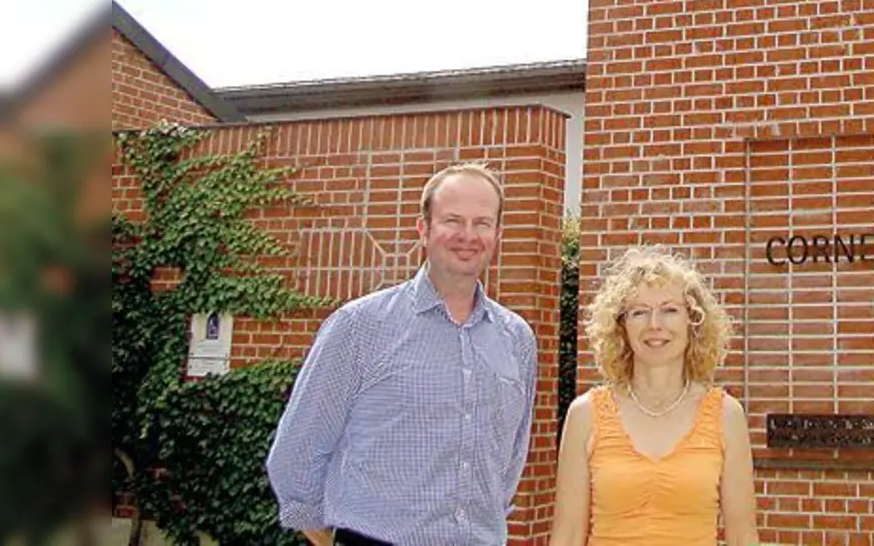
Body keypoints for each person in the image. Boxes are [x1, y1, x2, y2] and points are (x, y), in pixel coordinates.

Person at [266, 163, 537, 546]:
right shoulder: (359, 327)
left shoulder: (517, 339)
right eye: (452, 221)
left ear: (497, 234)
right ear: (423, 229)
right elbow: (298, 451)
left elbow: (511, 458)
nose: (467, 235)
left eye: (482, 223)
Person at [549, 246, 758, 546]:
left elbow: (742, 537)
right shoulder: (585, 414)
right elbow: (567, 535)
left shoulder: (727, 415)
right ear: (621, 325)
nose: (654, 324)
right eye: (639, 312)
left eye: (670, 310)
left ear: (693, 320)